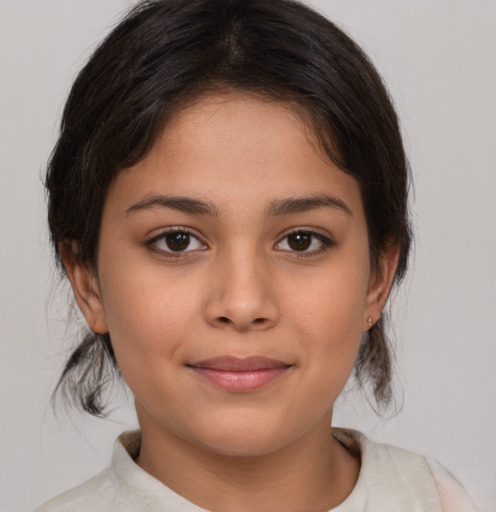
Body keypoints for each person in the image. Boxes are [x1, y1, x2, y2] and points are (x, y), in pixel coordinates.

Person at [36, 0, 479, 510]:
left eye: (301, 240)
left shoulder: (444, 501)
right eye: (176, 240)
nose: (243, 304)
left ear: (378, 278)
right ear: (87, 280)